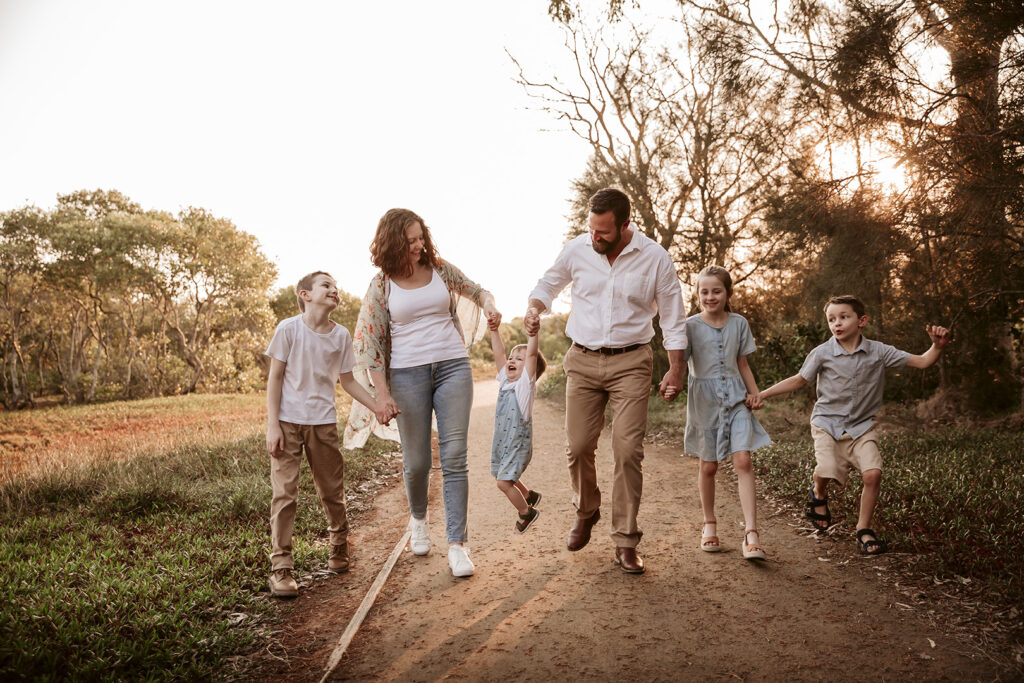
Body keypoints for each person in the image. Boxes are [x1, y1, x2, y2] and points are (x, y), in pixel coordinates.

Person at [525, 187, 687, 574]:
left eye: (604, 233)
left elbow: (673, 318)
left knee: (628, 450)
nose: (595, 238)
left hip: (632, 362)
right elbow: (548, 284)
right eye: (592, 230)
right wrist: (534, 308)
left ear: (625, 224)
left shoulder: (655, 258)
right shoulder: (577, 249)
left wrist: (676, 368)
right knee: (578, 446)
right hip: (581, 360)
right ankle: (587, 509)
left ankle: (626, 539)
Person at [353, 208, 499, 578]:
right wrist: (382, 394)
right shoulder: (381, 284)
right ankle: (418, 519)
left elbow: (476, 290)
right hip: (406, 375)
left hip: (453, 366)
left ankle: (457, 545)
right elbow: (370, 341)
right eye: (410, 240)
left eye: (421, 237)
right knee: (417, 461)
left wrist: (489, 305)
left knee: (454, 455)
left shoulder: (438, 268)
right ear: (393, 242)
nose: (419, 245)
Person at [754, 295, 950, 554]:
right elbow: (799, 380)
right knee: (826, 468)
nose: (837, 323)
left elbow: (923, 361)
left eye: (844, 317)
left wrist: (937, 346)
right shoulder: (822, 353)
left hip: (861, 427)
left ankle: (863, 530)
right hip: (827, 424)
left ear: (862, 321)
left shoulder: (879, 352)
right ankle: (818, 491)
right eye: (831, 319)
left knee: (873, 474)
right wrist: (763, 394)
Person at [265, 271, 395, 598]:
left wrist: (378, 405)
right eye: (326, 285)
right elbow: (275, 378)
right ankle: (281, 568)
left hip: (322, 424)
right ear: (305, 294)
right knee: (285, 495)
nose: (334, 290)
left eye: (336, 287)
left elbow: (348, 381)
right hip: (288, 423)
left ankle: (338, 546)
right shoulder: (288, 329)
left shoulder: (340, 337)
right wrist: (273, 424)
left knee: (331, 491)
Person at [678, 266, 771, 560]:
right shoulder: (690, 325)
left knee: (743, 459)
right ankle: (709, 524)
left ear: (728, 293)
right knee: (709, 467)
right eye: (704, 291)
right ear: (696, 294)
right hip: (703, 403)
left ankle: (751, 533)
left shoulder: (739, 323)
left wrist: (754, 393)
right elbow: (680, 364)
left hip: (736, 398)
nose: (710, 296)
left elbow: (742, 364)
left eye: (716, 291)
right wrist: (671, 384)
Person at [488, 314, 547, 534]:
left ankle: (526, 511)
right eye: (512, 358)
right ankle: (529, 495)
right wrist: (494, 330)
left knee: (503, 483)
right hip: (505, 442)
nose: (511, 361)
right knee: (501, 474)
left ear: (531, 371)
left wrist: (533, 334)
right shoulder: (505, 382)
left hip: (517, 444)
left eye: (518, 360)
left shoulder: (524, 387)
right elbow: (499, 353)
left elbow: (532, 353)